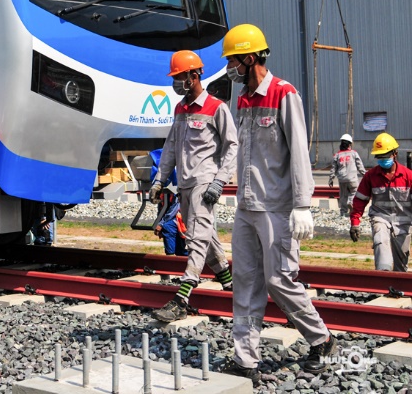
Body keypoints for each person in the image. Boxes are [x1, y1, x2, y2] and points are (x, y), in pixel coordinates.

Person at [220, 24, 335, 383]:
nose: (230, 69)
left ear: (250, 58)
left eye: (233, 61)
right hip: (247, 206)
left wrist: (303, 204)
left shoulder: (284, 94)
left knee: (279, 280)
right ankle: (246, 359)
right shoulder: (241, 100)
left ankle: (322, 339)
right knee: (245, 281)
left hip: (277, 208)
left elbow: (299, 151)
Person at [149, 50, 237, 323]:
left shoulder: (216, 107)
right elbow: (171, 147)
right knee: (206, 237)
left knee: (196, 238)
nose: (177, 82)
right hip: (185, 185)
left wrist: (220, 181)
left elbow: (233, 146)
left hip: (204, 184)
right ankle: (231, 286)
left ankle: (182, 297)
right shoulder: (180, 110)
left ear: (195, 75)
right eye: (175, 77)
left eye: (180, 76)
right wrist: (159, 180)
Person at [349, 132, 412, 272]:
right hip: (380, 218)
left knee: (401, 264)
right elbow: (360, 200)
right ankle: (383, 280)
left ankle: (398, 289)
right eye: (380, 157)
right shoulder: (371, 176)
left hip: (403, 223)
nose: (383, 160)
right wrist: (355, 223)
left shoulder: (408, 176)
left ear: (394, 154)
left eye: (385, 157)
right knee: (381, 245)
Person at [329, 134, 365, 217]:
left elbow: (333, 168)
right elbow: (360, 166)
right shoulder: (354, 153)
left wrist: (331, 179)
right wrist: (365, 175)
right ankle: (351, 202)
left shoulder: (337, 155)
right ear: (350, 144)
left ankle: (343, 212)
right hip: (352, 179)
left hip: (342, 179)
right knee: (354, 192)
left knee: (343, 195)